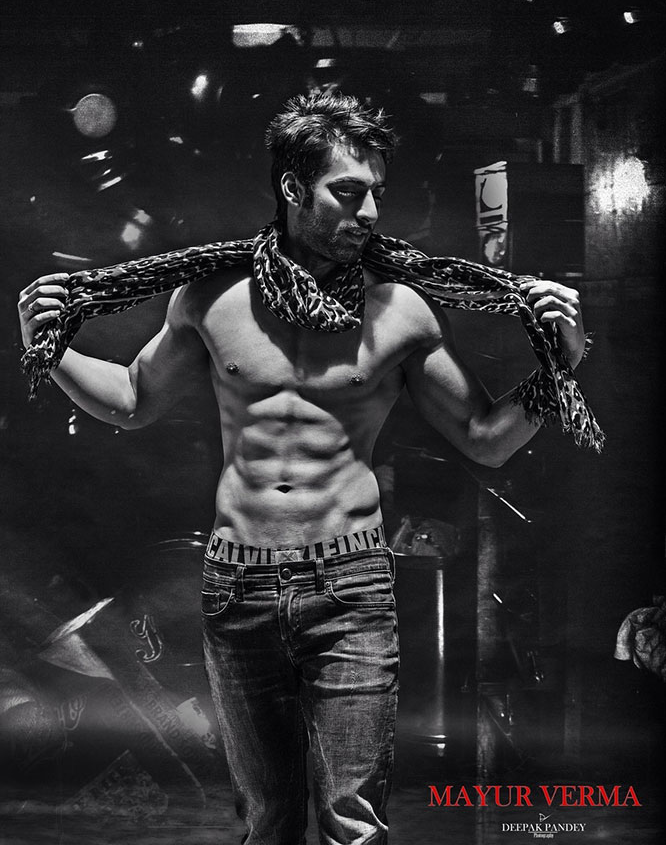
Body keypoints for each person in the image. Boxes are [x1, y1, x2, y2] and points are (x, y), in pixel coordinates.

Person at [17, 91, 587, 845]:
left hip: (349, 583)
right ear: (292, 188)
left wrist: (560, 366)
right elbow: (132, 399)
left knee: (355, 825)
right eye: (348, 192)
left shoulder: (402, 309)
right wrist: (50, 348)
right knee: (269, 825)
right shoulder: (212, 296)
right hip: (238, 585)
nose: (370, 212)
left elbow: (485, 438)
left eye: (376, 191)